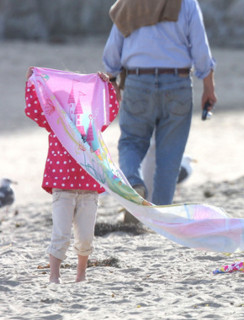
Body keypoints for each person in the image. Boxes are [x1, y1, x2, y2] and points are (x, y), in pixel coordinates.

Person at [102, 0, 217, 209]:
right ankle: (161, 214)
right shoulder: (187, 3)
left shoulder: (128, 4)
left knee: (131, 142)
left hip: (138, 81)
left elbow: (113, 49)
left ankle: (133, 183)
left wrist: (112, 81)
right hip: (178, 82)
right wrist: (209, 88)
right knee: (170, 156)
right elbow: (201, 49)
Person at [24, 67, 119, 283]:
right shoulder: (54, 123)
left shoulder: (92, 125)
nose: (72, 108)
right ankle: (54, 276)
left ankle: (81, 275)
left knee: (86, 238)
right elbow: (33, 110)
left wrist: (108, 86)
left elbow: (110, 110)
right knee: (61, 235)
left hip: (89, 187)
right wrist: (30, 83)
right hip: (62, 187)